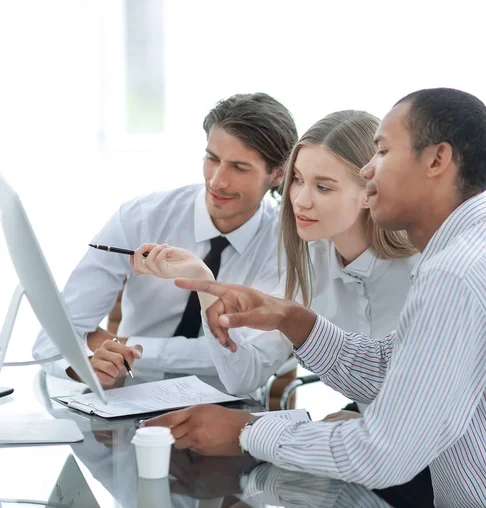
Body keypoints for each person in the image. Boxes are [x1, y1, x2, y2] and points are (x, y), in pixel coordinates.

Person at [144, 88, 486, 506]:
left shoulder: (456, 275)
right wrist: (294, 320)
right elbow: (400, 370)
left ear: (437, 160)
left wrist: (248, 431)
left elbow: (381, 456)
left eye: (381, 151)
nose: (367, 169)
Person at [131, 110, 416, 404]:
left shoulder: (424, 267)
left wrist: (354, 418)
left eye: (323, 187)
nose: (301, 200)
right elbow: (243, 376)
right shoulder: (305, 262)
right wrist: (204, 284)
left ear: (370, 191)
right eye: (297, 179)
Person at [32, 92, 298, 390]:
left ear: (277, 174)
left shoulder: (289, 249)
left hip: (225, 407)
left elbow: (251, 361)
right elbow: (52, 338)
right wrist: (83, 367)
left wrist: (131, 347)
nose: (217, 181)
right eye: (212, 159)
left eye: (239, 167)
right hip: (124, 395)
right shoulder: (141, 217)